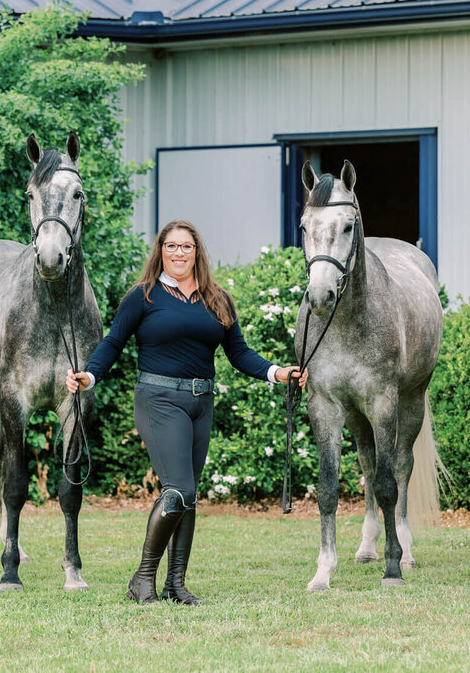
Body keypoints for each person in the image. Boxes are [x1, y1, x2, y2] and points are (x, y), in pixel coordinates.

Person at [66, 219, 307, 605]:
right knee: (179, 490)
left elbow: (238, 353)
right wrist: (89, 376)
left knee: (189, 496)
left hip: (201, 402)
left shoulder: (217, 298)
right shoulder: (143, 296)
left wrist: (278, 372)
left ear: (198, 252)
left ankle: (175, 584)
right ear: (161, 251)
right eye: (171, 246)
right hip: (159, 399)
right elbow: (113, 342)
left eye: (186, 247)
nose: (179, 253)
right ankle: (142, 578)